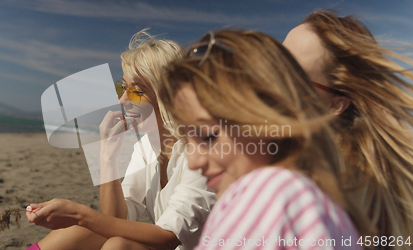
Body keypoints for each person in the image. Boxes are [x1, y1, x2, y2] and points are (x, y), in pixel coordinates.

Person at [158, 29, 373, 249]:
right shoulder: (300, 197)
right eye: (188, 138)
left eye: (209, 136)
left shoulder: (273, 193)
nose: (194, 162)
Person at [25, 30, 215, 250]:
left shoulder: (206, 150)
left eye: (136, 91)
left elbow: (168, 236)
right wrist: (107, 157)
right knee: (85, 231)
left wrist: (79, 214)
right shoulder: (146, 148)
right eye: (122, 88)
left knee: (116, 245)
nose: (123, 100)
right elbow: (117, 218)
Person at [283, 10, 413, 242]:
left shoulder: (321, 188)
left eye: (291, 74)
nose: (268, 76)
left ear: (336, 104)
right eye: (275, 59)